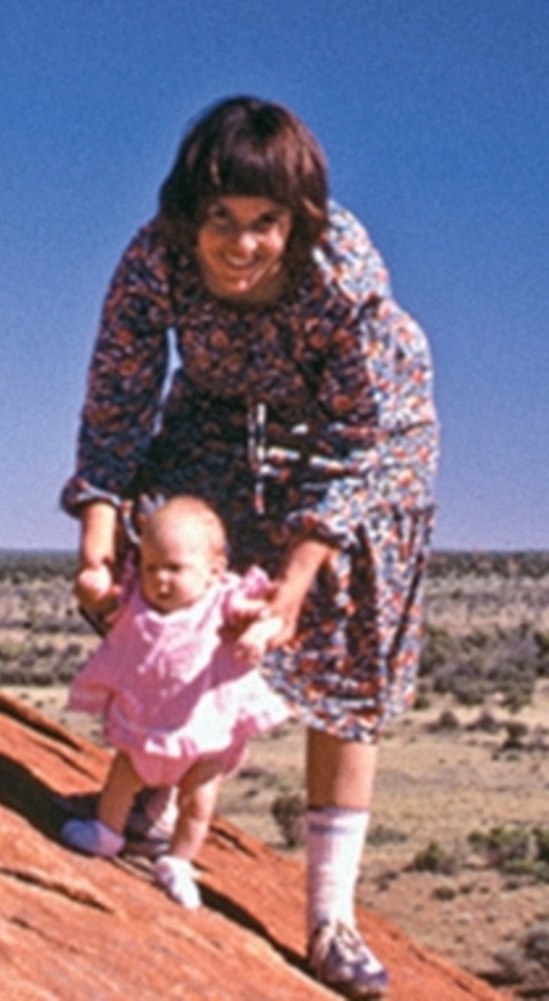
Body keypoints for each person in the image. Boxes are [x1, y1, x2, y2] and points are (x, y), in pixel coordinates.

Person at [61, 96, 439, 999]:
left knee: (351, 615)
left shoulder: (341, 275)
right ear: (190, 212)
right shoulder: (153, 259)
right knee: (173, 549)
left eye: (265, 223)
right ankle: (152, 794)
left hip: (368, 434)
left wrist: (296, 584)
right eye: (221, 220)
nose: (241, 245)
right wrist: (100, 546)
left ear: (296, 222)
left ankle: (330, 916)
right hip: (222, 414)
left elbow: (357, 445)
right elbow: (117, 406)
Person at [61, 495, 290, 910]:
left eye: (175, 569)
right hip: (146, 724)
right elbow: (108, 599)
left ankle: (179, 862)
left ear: (214, 570)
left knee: (198, 803)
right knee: (122, 779)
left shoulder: (225, 601)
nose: (160, 580)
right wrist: (95, 583)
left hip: (204, 729)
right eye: (151, 567)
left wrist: (260, 630)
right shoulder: (138, 600)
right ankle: (106, 832)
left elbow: (264, 613)